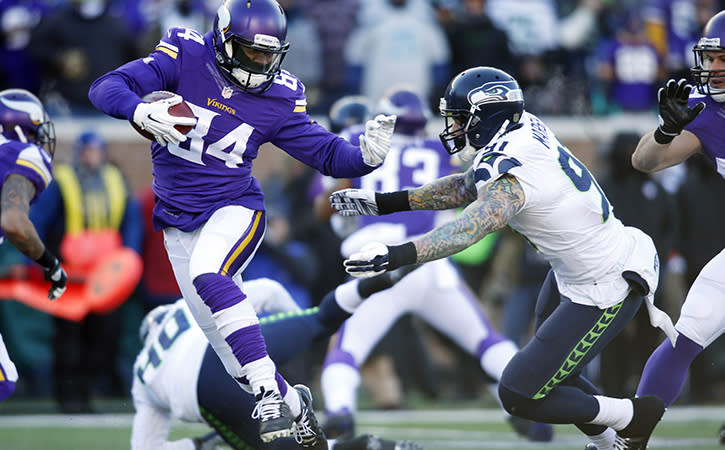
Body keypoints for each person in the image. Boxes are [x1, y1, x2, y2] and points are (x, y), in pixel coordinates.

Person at [88, 0, 396, 444]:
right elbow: (107, 86)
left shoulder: (279, 94)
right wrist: (138, 111)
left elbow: (326, 153)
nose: (261, 63)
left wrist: (365, 157)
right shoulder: (185, 54)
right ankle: (295, 405)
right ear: (224, 41)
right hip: (179, 221)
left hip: (235, 208)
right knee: (235, 361)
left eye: (269, 55)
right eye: (252, 52)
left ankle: (271, 394)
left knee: (210, 275)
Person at [329, 66, 675, 450]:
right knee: (556, 374)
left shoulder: (512, 169)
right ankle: (617, 444)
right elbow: (465, 186)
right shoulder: (519, 127)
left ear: (486, 116)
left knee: (519, 393)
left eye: (461, 119)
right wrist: (386, 203)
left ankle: (634, 416)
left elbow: (467, 229)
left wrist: (396, 255)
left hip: (605, 281)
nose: (454, 128)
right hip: (576, 270)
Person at [317, 87, 553, 442]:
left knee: (346, 350)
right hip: (427, 261)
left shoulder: (358, 139)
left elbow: (327, 205)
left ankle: (340, 414)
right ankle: (530, 411)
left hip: (378, 259)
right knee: (484, 340)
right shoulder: (438, 150)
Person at [132, 273, 423, 450]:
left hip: (205, 393)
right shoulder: (186, 308)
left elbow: (145, 448)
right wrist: (300, 327)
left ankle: (363, 447)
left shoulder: (141, 372)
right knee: (322, 318)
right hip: (228, 351)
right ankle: (373, 283)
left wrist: (199, 444)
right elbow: (270, 290)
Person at [630, 10, 725, 449]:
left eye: (724, 58)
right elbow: (645, 161)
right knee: (685, 333)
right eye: (712, 57)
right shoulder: (708, 112)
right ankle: (629, 439)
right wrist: (668, 129)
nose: (714, 68)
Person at [30, 130, 143, 413]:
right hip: (70, 276)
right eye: (87, 151)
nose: (92, 156)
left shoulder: (115, 180)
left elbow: (131, 224)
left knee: (103, 337)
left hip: (106, 278)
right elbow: (39, 223)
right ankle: (68, 397)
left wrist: (128, 257)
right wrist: (46, 262)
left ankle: (89, 390)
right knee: (69, 339)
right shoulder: (63, 183)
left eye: (97, 151)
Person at [0, 88, 68, 401]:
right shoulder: (23, 154)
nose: (39, 139)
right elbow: (13, 222)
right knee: (4, 379)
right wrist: (51, 264)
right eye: (34, 131)